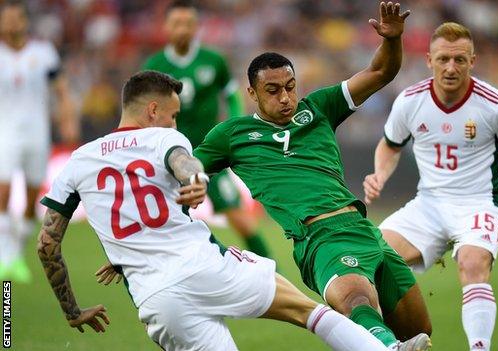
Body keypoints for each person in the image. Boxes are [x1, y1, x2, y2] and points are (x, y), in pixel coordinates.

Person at [37, 70, 395, 351]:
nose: (176, 124)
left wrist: (73, 311)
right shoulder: (164, 138)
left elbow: (47, 245)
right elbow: (184, 162)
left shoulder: (79, 160)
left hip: (156, 299)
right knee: (309, 312)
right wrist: (195, 180)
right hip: (206, 267)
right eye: (174, 115)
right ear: (152, 111)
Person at [193, 3, 432, 350]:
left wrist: (393, 40)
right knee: (356, 301)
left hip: (366, 230)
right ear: (252, 94)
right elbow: (188, 168)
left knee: (418, 329)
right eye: (273, 90)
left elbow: (380, 72)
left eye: (290, 86)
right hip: (318, 238)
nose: (286, 97)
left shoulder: (318, 108)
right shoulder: (231, 134)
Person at [362, 22, 498, 351]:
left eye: (459, 59)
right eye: (443, 59)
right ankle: (389, 345)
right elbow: (390, 144)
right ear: (428, 60)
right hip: (428, 205)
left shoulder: (495, 104)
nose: (450, 67)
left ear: (472, 60)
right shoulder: (410, 101)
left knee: (472, 263)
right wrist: (379, 174)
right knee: (373, 257)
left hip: (479, 203)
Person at [142, 0, 274, 259]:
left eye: (188, 24)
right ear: (166, 27)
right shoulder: (154, 64)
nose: (183, 29)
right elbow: (145, 110)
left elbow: (232, 94)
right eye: (177, 23)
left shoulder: (213, 60)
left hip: (209, 155)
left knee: (241, 220)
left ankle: (273, 274)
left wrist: (234, 127)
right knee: (162, 225)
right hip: (168, 156)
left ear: (196, 27)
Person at [0, 0, 78, 283]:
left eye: (15, 19)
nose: (11, 24)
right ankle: (5, 256)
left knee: (32, 200)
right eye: (6, 19)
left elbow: (61, 89)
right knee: (4, 192)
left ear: (23, 21)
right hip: (4, 133)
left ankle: (15, 252)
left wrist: (68, 117)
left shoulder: (43, 52)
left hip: (37, 133)